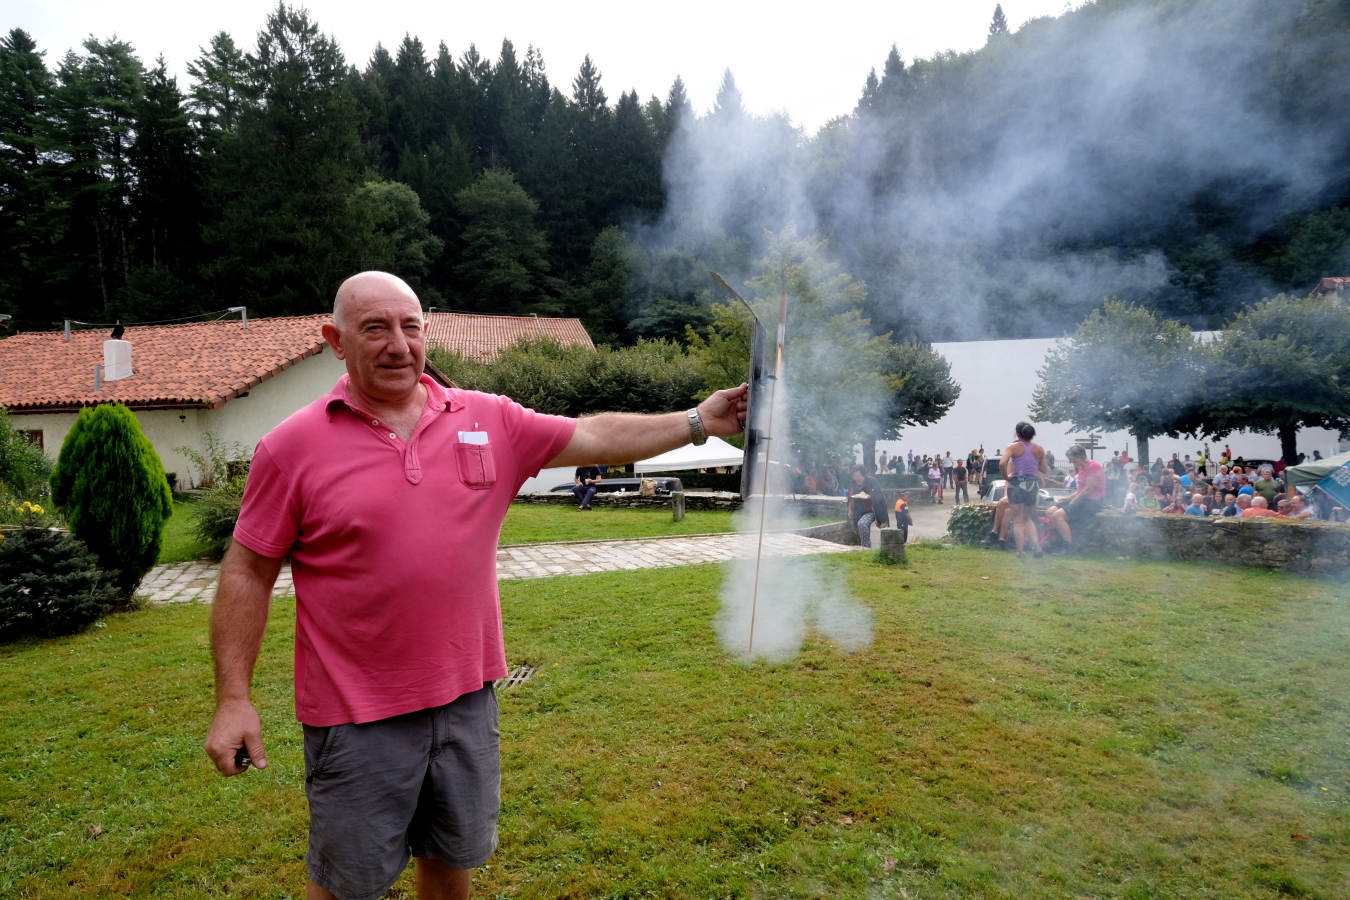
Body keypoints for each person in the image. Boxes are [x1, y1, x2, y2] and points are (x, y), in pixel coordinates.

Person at [202, 271, 749, 900]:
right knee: (347, 887)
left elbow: (595, 433)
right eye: (375, 328)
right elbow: (247, 570)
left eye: (410, 327)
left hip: (466, 703)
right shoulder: (292, 447)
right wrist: (233, 700)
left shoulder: (488, 420)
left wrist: (696, 420)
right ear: (336, 340)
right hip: (356, 720)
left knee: (451, 865)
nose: (397, 345)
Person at [999, 421, 1046, 559]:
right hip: (1032, 486)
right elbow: (1044, 469)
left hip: (1017, 485)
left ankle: (1020, 551)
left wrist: (1006, 477)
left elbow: (1002, 463)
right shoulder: (1039, 449)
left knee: (1018, 520)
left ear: (1018, 434)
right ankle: (1037, 547)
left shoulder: (1013, 447)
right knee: (1028, 518)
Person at [1045, 445, 1105, 550]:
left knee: (1058, 515)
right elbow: (1080, 490)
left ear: (1079, 457)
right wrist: (1068, 498)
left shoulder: (1093, 466)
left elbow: (1088, 490)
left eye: (1072, 460)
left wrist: (1074, 500)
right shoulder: (1081, 467)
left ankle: (1068, 547)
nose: (1071, 463)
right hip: (1082, 499)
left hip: (1092, 502)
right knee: (1050, 511)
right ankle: (1060, 540)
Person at [847, 464, 890, 548]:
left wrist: (870, 496)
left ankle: (865, 547)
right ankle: (866, 546)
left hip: (871, 511)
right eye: (854, 475)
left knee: (862, 524)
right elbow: (850, 497)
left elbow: (879, 496)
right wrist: (849, 510)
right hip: (857, 511)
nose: (856, 478)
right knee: (862, 527)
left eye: (858, 475)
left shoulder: (871, 481)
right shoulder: (853, 483)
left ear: (863, 474)